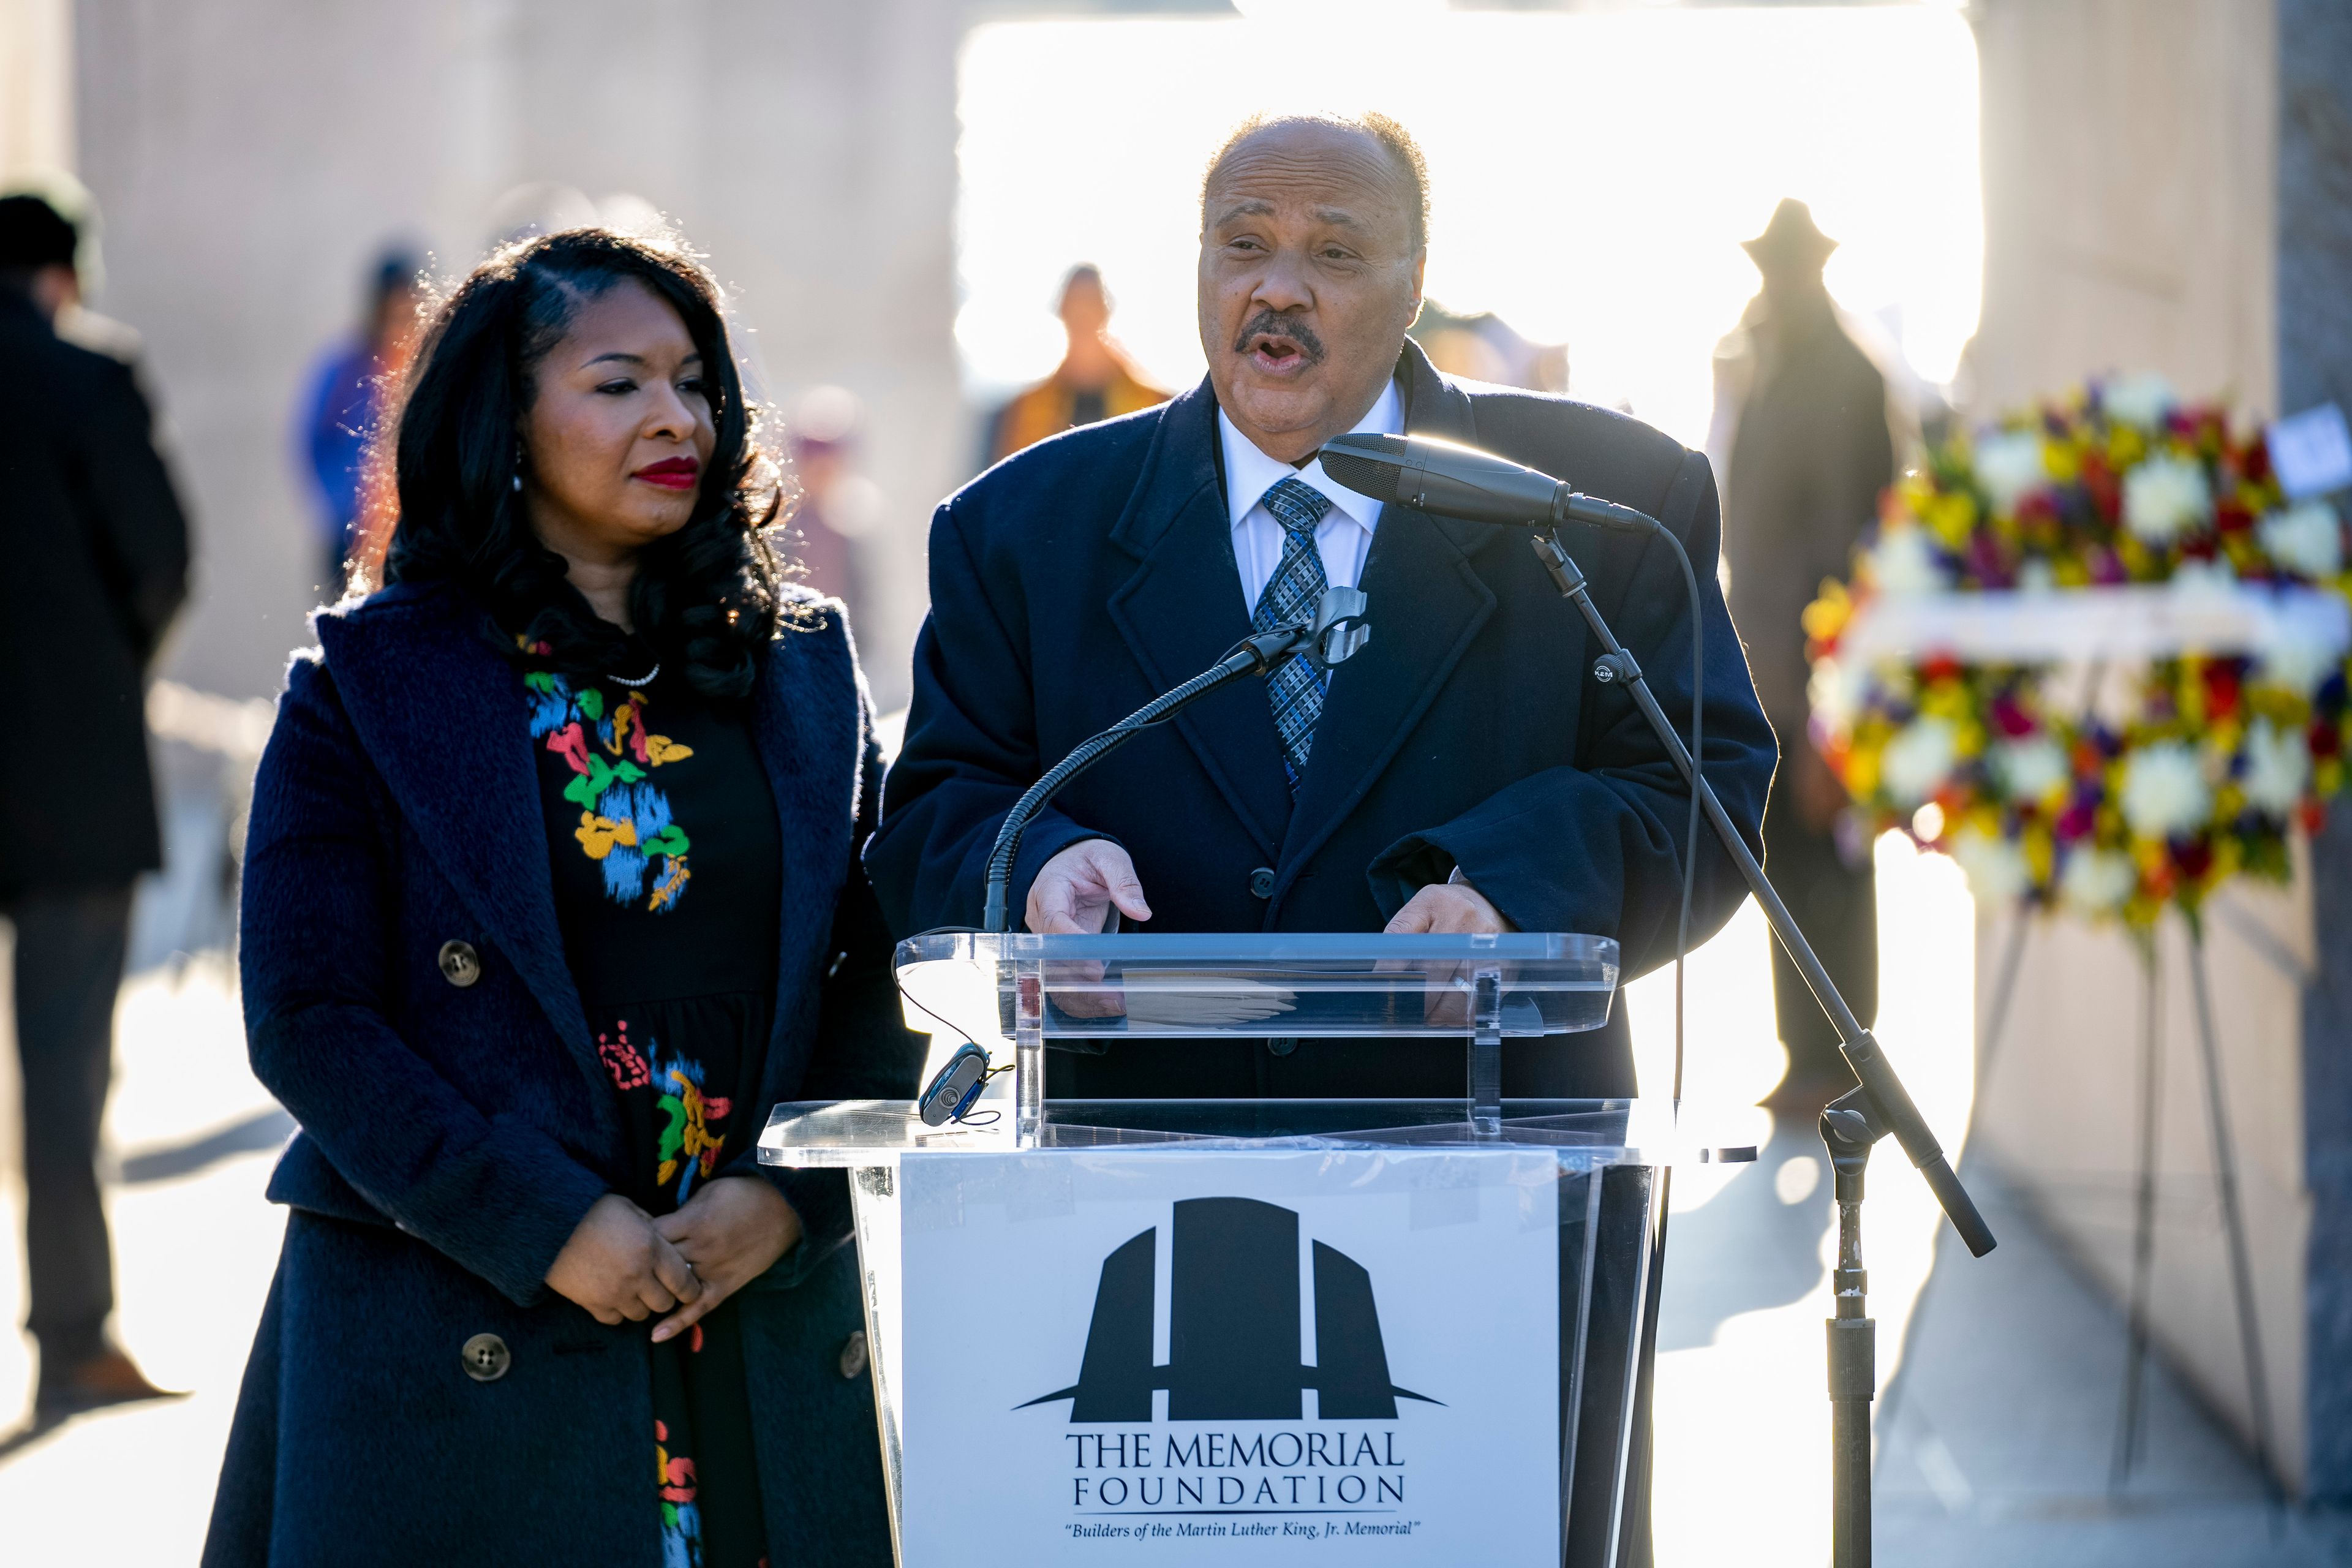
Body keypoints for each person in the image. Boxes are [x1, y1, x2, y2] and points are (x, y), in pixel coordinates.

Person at [866, 112, 1774, 1564]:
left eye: (1331, 254)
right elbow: (931, 807)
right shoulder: (1024, 524)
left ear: (1415, 283)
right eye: (1242, 246)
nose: (1274, 289)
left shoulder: (1604, 506)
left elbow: (1704, 786)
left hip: (1488, 1210)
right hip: (1134, 1233)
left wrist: (1516, 878)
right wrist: (1030, 860)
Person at [205, 229, 923, 1566]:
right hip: (467, 1310)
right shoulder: (367, 686)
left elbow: (885, 980)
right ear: (508, 419)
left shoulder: (805, 669)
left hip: (758, 1309)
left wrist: (791, 1196)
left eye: (697, 382)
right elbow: (308, 1016)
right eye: (619, 382)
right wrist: (544, 1223)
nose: (677, 417)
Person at [0, 191, 190, 1422]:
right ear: (62, 275)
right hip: (66, 776)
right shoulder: (88, 376)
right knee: (65, 1063)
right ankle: (74, 1336)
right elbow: (163, 556)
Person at [1710, 199, 1905, 1106]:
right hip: (1774, 668)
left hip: (1822, 669)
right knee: (1789, 866)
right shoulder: (1775, 363)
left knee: (1830, 866)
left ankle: (1843, 1062)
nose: (1774, 284)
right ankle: (1810, 1057)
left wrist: (1836, 683)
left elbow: (1853, 536)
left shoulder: (1842, 372)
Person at [295, 249, 421, 594]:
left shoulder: (428, 365)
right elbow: (312, 441)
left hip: (416, 534)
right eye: (392, 307)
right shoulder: (345, 368)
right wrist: (345, 508)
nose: (400, 317)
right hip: (352, 535)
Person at [985, 263, 1170, 463]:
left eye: (1090, 306)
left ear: (1105, 311)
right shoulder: (1016, 417)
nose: (1083, 318)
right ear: (1062, 311)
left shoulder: (1159, 407)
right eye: (1076, 307)